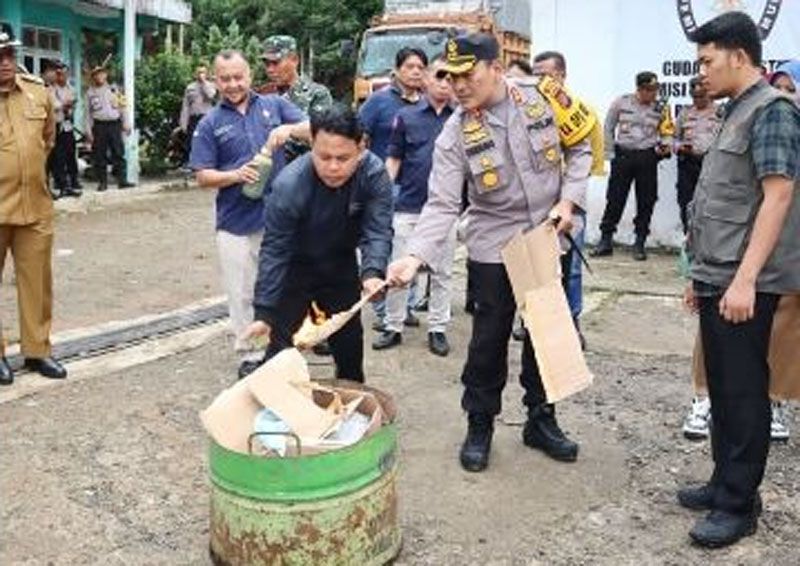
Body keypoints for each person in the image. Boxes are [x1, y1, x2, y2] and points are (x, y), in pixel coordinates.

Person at [387, 33, 592, 472]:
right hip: (493, 246)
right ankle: (480, 423)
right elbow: (442, 204)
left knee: (546, 336)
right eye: (450, 76)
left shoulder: (544, 97)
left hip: (546, 236)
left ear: (496, 69)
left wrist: (569, 201)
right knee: (488, 340)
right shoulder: (454, 133)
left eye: (467, 75)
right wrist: (415, 256)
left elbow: (582, 145)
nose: (458, 86)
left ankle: (542, 419)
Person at [680, 12, 799, 548]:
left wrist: (747, 279)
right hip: (718, 273)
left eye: (707, 60)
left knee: (743, 391)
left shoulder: (772, 112)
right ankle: (722, 481)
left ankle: (738, 504)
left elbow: (777, 197)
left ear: (739, 56)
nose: (700, 70)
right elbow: (716, 199)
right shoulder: (736, 111)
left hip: (744, 280)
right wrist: (697, 275)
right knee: (723, 388)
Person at [243, 105, 393, 382]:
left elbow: (378, 229)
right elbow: (275, 250)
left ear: (361, 147)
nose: (333, 167)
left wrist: (372, 273)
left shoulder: (373, 173)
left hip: (341, 267)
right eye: (324, 156)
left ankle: (351, 411)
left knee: (349, 349)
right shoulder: (289, 185)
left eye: (343, 158)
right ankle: (278, 412)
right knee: (279, 353)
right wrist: (264, 312)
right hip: (295, 269)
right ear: (311, 143)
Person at [190, 49, 310, 379]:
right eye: (225, 78)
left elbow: (317, 128)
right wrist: (234, 175)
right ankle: (250, 352)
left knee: (280, 285)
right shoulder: (210, 123)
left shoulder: (274, 106)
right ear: (215, 80)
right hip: (235, 223)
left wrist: (292, 131)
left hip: (277, 217)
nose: (232, 84)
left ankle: (282, 345)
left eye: (238, 77)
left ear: (250, 76)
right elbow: (202, 175)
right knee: (242, 291)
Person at [373, 56, 456, 357]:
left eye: (451, 78)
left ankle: (438, 328)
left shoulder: (460, 118)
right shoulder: (406, 117)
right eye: (440, 76)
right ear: (426, 80)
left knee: (443, 272)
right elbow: (394, 158)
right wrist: (381, 194)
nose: (445, 83)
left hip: (446, 209)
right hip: (408, 205)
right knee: (399, 270)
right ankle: (393, 326)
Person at [0, 32, 68, 385]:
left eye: (9, 54)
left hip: (35, 204)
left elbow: (47, 139)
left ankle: (37, 350)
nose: (6, 62)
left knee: (37, 282)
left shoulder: (36, 91)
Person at [359, 47, 427, 330]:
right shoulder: (378, 102)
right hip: (385, 185)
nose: (415, 71)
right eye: (409, 66)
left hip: (416, 188)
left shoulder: (426, 103)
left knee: (412, 248)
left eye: (420, 67)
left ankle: (405, 306)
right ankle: (382, 307)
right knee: (383, 243)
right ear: (397, 69)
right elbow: (359, 138)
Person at [592, 71, 674, 260]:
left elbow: (667, 130)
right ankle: (605, 240)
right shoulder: (621, 102)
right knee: (615, 199)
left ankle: (639, 242)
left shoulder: (661, 106)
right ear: (639, 89)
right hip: (623, 156)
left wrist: (665, 146)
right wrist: (610, 154)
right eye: (649, 90)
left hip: (647, 157)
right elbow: (609, 127)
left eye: (655, 90)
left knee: (646, 200)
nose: (653, 94)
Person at [674, 77, 721, 233]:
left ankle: (709, 242)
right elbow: (674, 138)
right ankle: (688, 238)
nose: (698, 99)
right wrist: (680, 147)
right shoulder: (685, 113)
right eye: (695, 96)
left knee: (711, 203)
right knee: (686, 202)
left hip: (711, 164)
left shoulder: (721, 112)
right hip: (688, 163)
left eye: (702, 95)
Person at [84, 63, 134, 191]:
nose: (99, 76)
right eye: (96, 74)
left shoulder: (114, 89)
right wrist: (88, 131)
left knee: (118, 152)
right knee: (100, 154)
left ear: (106, 75)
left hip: (114, 124)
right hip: (99, 125)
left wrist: (126, 122)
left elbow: (123, 107)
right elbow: (88, 113)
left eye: (102, 73)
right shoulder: (90, 93)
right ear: (94, 77)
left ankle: (122, 180)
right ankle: (102, 182)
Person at [52, 61, 81, 196]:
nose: (61, 76)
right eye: (59, 74)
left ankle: (74, 180)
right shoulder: (50, 89)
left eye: (64, 73)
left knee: (71, 152)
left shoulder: (71, 88)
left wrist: (70, 106)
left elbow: (74, 102)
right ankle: (61, 182)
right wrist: (63, 105)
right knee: (59, 155)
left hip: (68, 123)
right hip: (55, 125)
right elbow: (53, 106)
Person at [179, 64, 216, 165]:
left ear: (207, 74)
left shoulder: (211, 85)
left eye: (203, 72)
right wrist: (183, 123)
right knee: (192, 140)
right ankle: (191, 164)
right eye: (199, 72)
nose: (201, 74)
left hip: (206, 117)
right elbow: (185, 106)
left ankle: (207, 163)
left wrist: (204, 82)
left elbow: (211, 95)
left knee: (206, 141)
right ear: (195, 74)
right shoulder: (190, 87)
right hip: (194, 117)